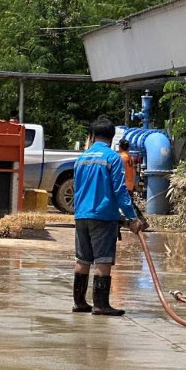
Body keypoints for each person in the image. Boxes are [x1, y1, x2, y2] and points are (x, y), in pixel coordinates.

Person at [72, 118, 147, 316]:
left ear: (92, 136)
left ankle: (80, 303)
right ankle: (101, 305)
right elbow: (120, 191)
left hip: (81, 215)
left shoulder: (81, 158)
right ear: (112, 138)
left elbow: (77, 187)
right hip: (103, 216)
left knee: (82, 259)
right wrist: (132, 217)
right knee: (103, 260)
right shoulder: (112, 158)